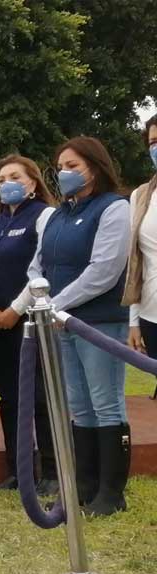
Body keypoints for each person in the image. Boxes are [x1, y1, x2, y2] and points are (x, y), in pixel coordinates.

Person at [28, 136, 130, 516]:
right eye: (61, 166)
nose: (64, 173)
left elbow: (104, 270)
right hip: (61, 323)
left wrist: (57, 304)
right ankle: (84, 486)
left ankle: (111, 492)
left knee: (105, 403)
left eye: (73, 165)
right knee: (79, 406)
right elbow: (37, 264)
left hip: (98, 321)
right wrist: (44, 301)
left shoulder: (113, 208)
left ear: (95, 166)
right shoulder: (57, 215)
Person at [0, 155, 59, 494]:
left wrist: (15, 309)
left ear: (32, 181)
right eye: (1, 179)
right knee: (10, 398)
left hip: (32, 318)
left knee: (41, 397)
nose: (6, 183)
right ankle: (19, 470)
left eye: (14, 176)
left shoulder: (44, 216)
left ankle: (53, 472)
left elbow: (43, 268)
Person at [125, 114, 157, 398]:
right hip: (151, 314)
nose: (155, 147)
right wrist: (134, 320)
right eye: (153, 142)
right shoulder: (141, 195)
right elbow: (136, 262)